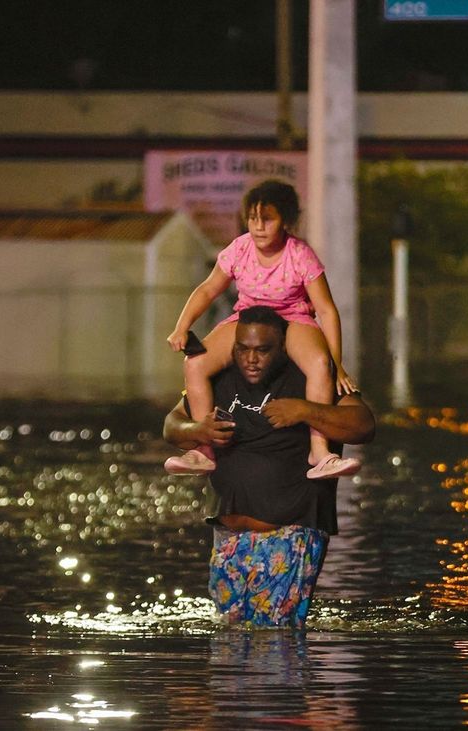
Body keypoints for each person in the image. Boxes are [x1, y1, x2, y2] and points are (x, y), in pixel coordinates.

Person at [163, 305, 375, 627]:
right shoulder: (218, 377)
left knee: (275, 640)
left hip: (290, 533)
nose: (251, 358)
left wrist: (305, 411)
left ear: (283, 348)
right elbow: (172, 424)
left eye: (263, 350)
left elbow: (363, 424)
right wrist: (198, 431)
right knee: (230, 634)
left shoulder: (313, 376)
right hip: (229, 537)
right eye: (243, 349)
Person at [164, 179, 360, 480]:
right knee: (195, 363)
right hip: (248, 319)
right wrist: (182, 326)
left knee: (320, 365)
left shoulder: (300, 254)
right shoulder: (239, 249)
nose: (258, 226)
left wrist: (338, 364)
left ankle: (319, 451)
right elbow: (207, 289)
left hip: (291, 318)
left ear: (286, 220)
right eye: (253, 218)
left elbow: (325, 309)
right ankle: (203, 450)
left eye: (267, 218)